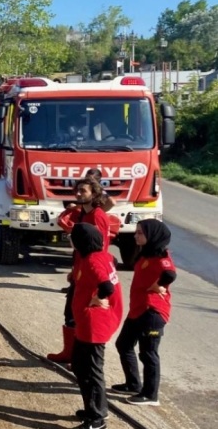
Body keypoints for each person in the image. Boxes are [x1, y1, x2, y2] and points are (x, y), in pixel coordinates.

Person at [47, 176, 112, 363]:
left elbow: (99, 250)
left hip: (90, 274)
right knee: (71, 313)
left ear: (94, 194)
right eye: (77, 190)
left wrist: (89, 275)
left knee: (80, 316)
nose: (78, 193)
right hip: (80, 270)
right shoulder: (83, 213)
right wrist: (75, 271)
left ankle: (79, 360)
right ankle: (70, 354)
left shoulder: (97, 216)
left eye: (83, 191)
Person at [112, 219, 177, 406]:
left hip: (152, 312)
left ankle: (150, 395)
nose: (136, 235)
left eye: (140, 233)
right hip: (138, 310)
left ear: (153, 235)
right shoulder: (145, 254)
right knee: (123, 344)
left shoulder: (161, 257)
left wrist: (159, 285)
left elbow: (170, 274)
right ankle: (133, 383)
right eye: (136, 232)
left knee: (148, 353)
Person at [69, 222, 123, 429]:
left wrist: (98, 297)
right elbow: (112, 265)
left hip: (95, 324)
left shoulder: (92, 261)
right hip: (87, 323)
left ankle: (97, 418)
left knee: (91, 370)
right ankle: (94, 408)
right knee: (79, 365)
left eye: (72, 237)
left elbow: (107, 286)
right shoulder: (101, 256)